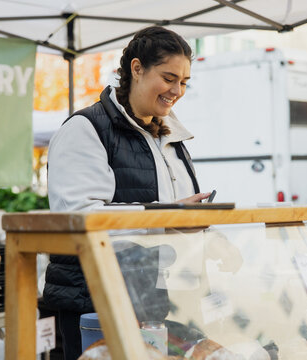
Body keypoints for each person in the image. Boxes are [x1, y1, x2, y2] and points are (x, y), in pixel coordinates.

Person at [44, 25, 211, 359]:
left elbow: (169, 214)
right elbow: (80, 216)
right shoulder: (85, 129)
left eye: (184, 82)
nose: (177, 90)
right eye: (168, 78)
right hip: (97, 299)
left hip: (157, 298)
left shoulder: (171, 136)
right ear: (136, 69)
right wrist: (167, 217)